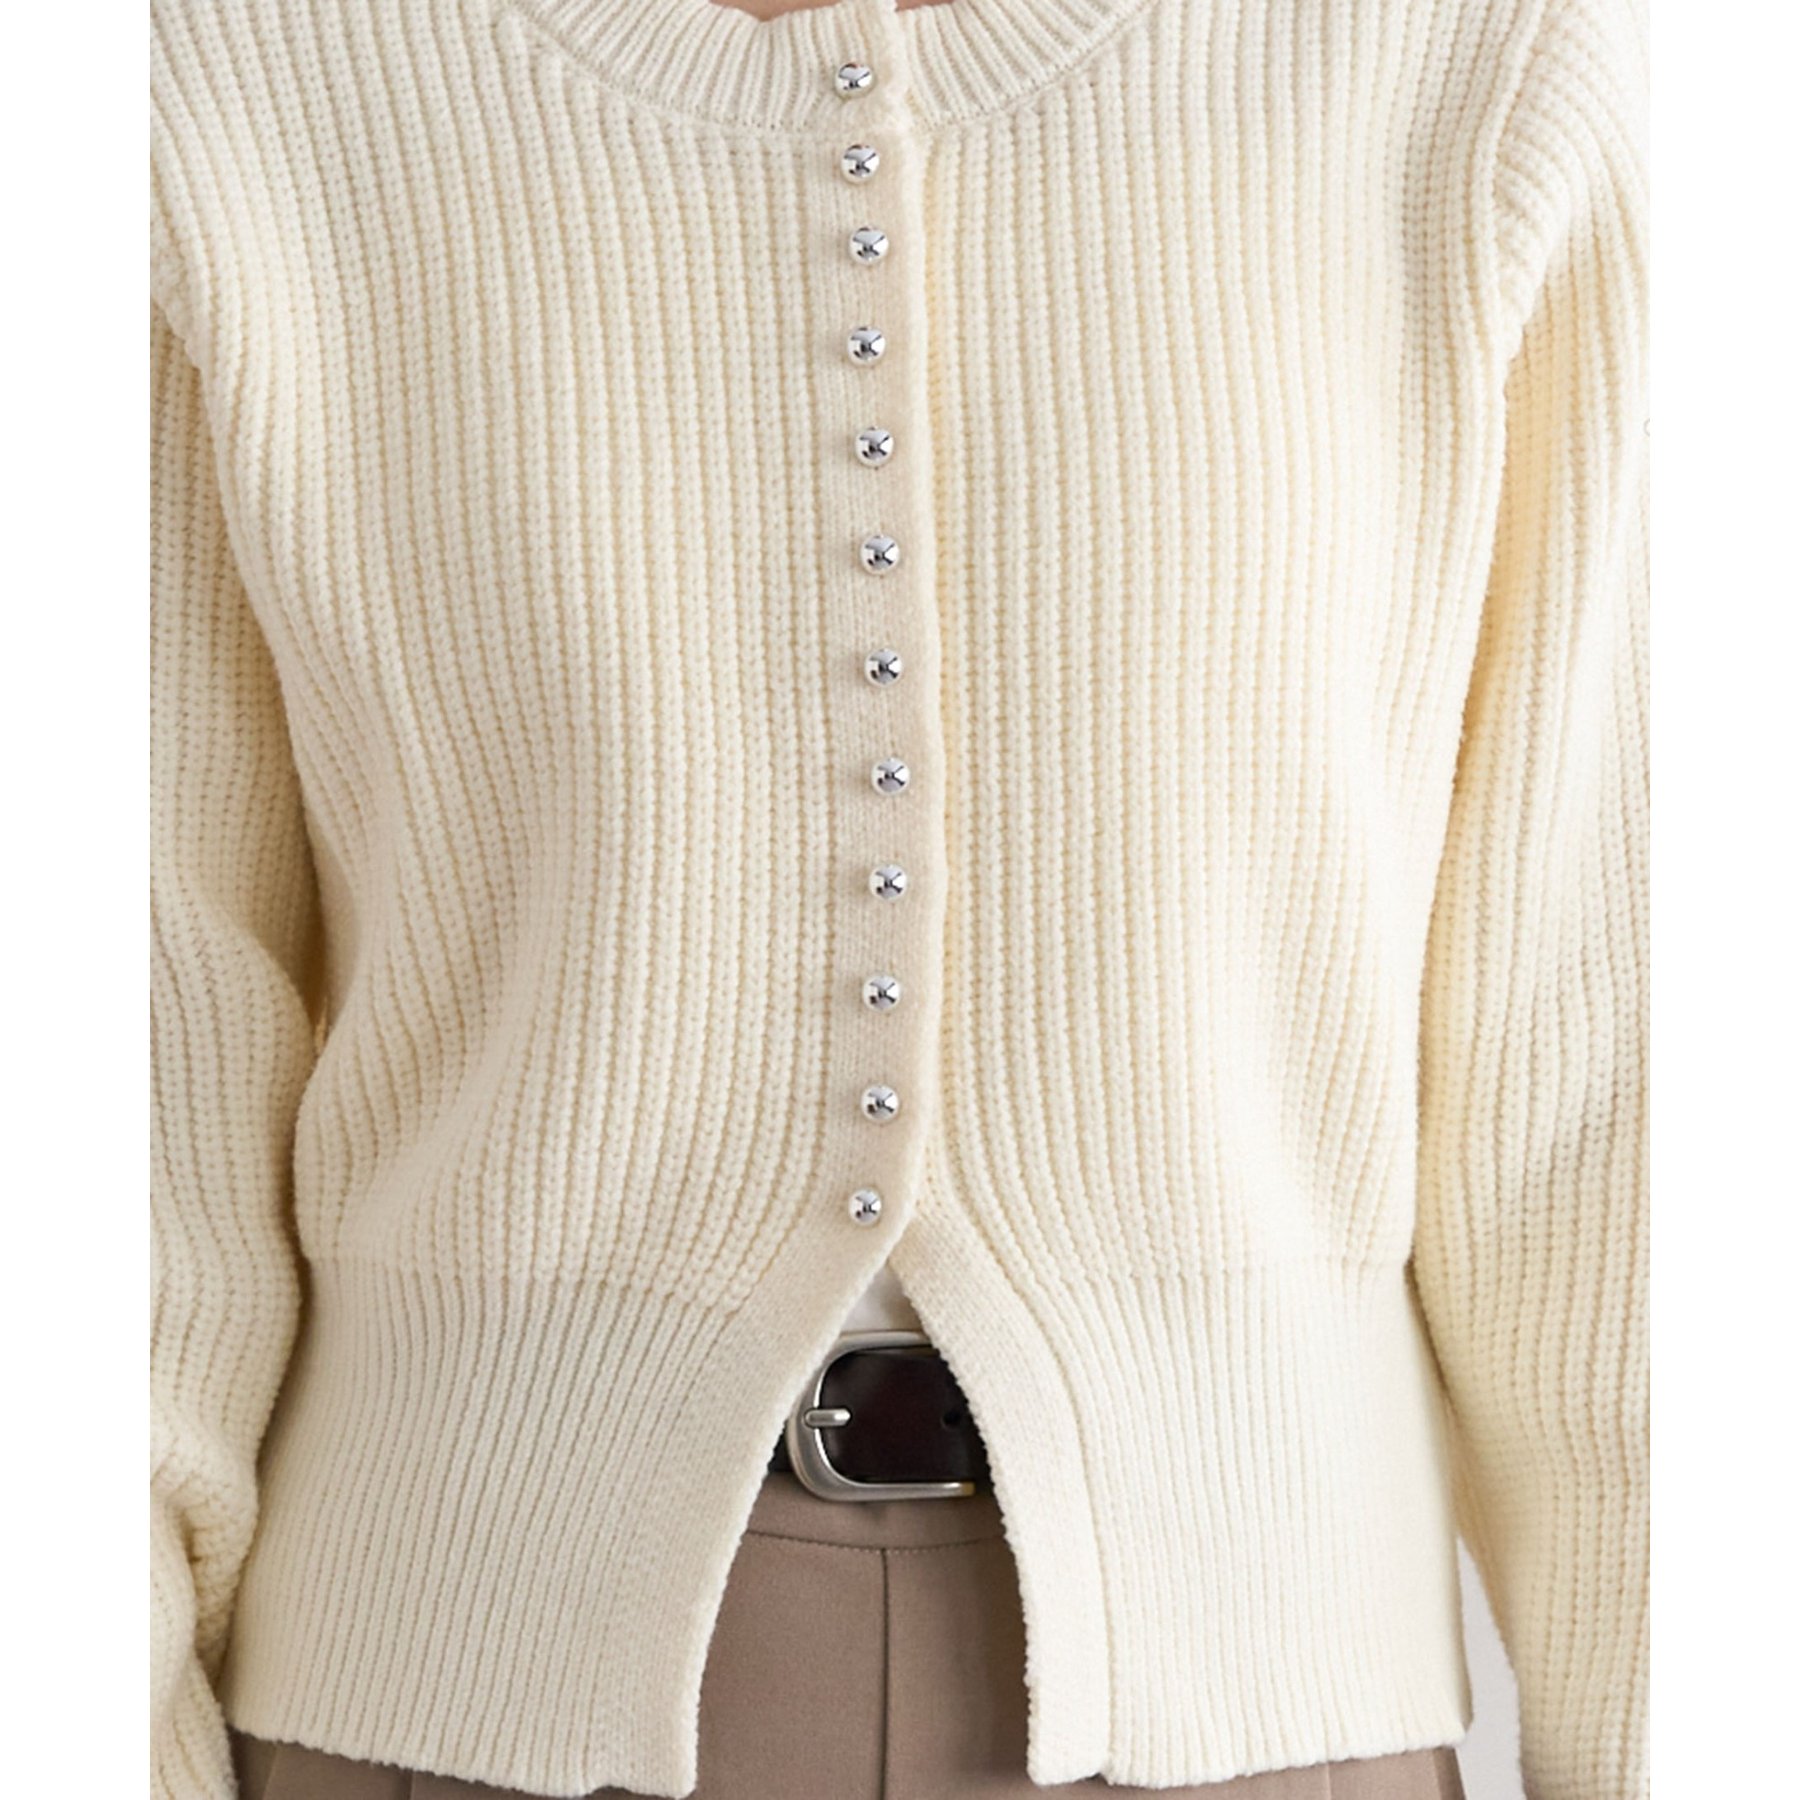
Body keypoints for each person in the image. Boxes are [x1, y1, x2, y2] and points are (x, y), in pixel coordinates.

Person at [149, 0, 1648, 1796]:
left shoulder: (1463, 69)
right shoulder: (231, 89)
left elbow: (1614, 1100)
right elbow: (120, 1088)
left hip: (1262, 1699)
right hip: (458, 1696)